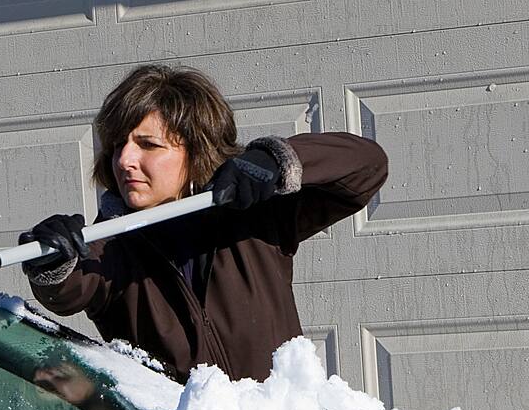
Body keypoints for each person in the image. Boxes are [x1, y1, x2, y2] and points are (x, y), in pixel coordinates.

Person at [20, 64, 388, 383]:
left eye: (148, 145)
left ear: (195, 150)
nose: (125, 159)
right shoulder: (109, 245)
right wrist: (52, 260)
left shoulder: (254, 217)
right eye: (118, 144)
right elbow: (69, 291)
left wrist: (276, 159)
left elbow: (366, 167)